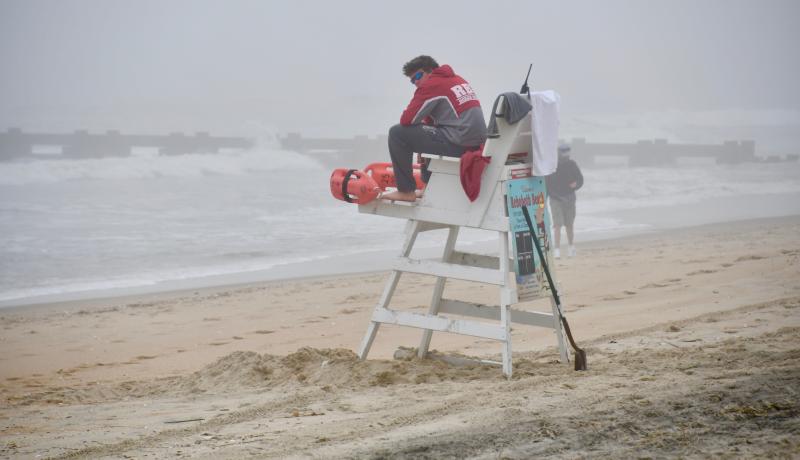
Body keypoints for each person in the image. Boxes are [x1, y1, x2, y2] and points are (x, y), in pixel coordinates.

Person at [380, 55, 487, 202]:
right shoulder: (456, 79)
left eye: (418, 76)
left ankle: (405, 191)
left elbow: (407, 120)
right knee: (426, 130)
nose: (416, 82)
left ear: (430, 71)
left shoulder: (431, 84)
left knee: (397, 133)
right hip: (475, 143)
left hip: (461, 144)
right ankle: (428, 187)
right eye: (412, 81)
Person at [546, 144, 584, 258]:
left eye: (568, 151)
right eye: (563, 151)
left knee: (569, 224)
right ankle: (557, 249)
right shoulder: (553, 165)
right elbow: (547, 182)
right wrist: (547, 195)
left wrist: (576, 184)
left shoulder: (572, 164)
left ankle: (571, 247)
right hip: (555, 199)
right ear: (558, 152)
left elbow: (580, 179)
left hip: (570, 198)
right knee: (557, 224)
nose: (566, 153)